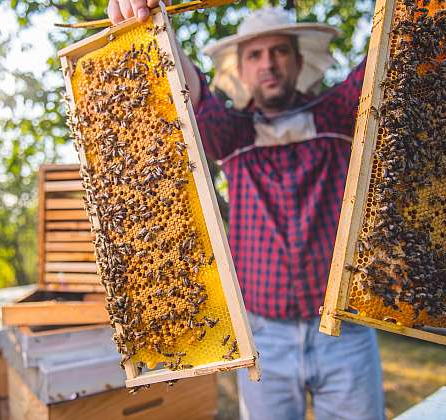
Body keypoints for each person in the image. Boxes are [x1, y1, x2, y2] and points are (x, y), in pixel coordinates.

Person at [106, 3, 385, 419]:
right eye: (255, 54)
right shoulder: (232, 133)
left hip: (344, 328)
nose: (268, 63)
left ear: (298, 59)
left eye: (279, 51)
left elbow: (386, 62)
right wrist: (146, 16)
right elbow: (190, 92)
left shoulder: (340, 114)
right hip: (264, 337)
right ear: (240, 68)